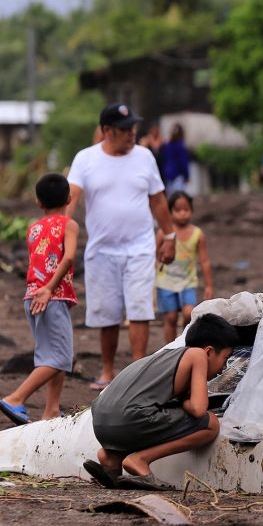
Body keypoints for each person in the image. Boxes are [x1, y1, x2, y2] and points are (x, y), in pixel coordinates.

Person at [66, 102, 177, 391]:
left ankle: (137, 370)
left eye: (133, 128)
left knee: (140, 308)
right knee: (107, 313)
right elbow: (72, 197)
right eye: (125, 129)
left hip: (140, 246)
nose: (132, 133)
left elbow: (158, 199)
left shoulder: (144, 157)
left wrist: (170, 236)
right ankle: (107, 371)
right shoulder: (85, 159)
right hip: (101, 250)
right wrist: (58, 231)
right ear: (106, 131)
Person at [83, 312, 238, 490]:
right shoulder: (198, 355)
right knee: (210, 424)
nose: (223, 369)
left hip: (101, 422)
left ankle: (111, 458)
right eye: (225, 359)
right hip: (128, 418)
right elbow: (198, 409)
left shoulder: (166, 357)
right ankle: (140, 460)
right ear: (209, 351)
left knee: (154, 414)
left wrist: (183, 401)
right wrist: (186, 402)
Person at [0, 173, 80, 425]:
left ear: (37, 202)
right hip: (49, 296)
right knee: (60, 358)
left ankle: (52, 409)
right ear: (68, 198)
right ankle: (15, 398)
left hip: (32, 296)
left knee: (51, 354)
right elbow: (68, 257)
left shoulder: (33, 228)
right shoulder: (69, 224)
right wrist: (50, 288)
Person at [156, 191, 214, 343]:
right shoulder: (163, 233)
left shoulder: (197, 234)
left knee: (189, 313)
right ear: (170, 212)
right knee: (170, 317)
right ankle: (168, 349)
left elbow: (205, 261)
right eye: (178, 210)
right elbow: (155, 256)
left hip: (188, 282)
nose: (183, 214)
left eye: (186, 210)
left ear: (192, 211)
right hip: (165, 282)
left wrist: (208, 285)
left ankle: (183, 342)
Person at [160, 123, 190, 192]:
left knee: (171, 198)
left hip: (167, 174)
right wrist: (186, 175)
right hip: (177, 175)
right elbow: (183, 162)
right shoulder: (180, 146)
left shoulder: (167, 145)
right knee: (178, 197)